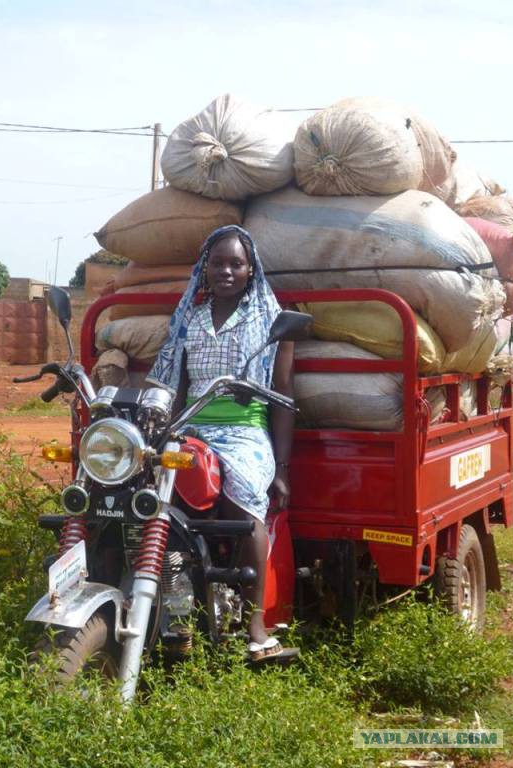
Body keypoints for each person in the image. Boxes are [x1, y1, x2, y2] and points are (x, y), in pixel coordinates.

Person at [147, 224, 296, 661]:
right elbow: (174, 383)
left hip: (244, 432)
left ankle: (255, 626)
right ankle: (167, 610)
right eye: (217, 263)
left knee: (243, 505)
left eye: (236, 264)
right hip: (191, 428)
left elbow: (284, 395)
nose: (226, 271)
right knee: (151, 504)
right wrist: (160, 433)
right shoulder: (188, 319)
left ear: (252, 270)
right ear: (204, 268)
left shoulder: (273, 320)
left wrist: (281, 468)